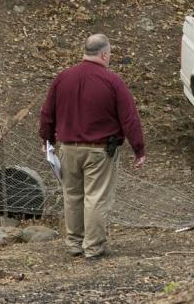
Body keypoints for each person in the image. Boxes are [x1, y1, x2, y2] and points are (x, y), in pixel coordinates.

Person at [39, 33, 146, 260]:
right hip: (99, 150)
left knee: (72, 195)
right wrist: (139, 149)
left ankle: (74, 243)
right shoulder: (112, 82)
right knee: (96, 198)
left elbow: (47, 113)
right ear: (104, 53)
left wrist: (47, 141)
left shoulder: (63, 78)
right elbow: (129, 118)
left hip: (68, 148)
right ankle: (93, 246)